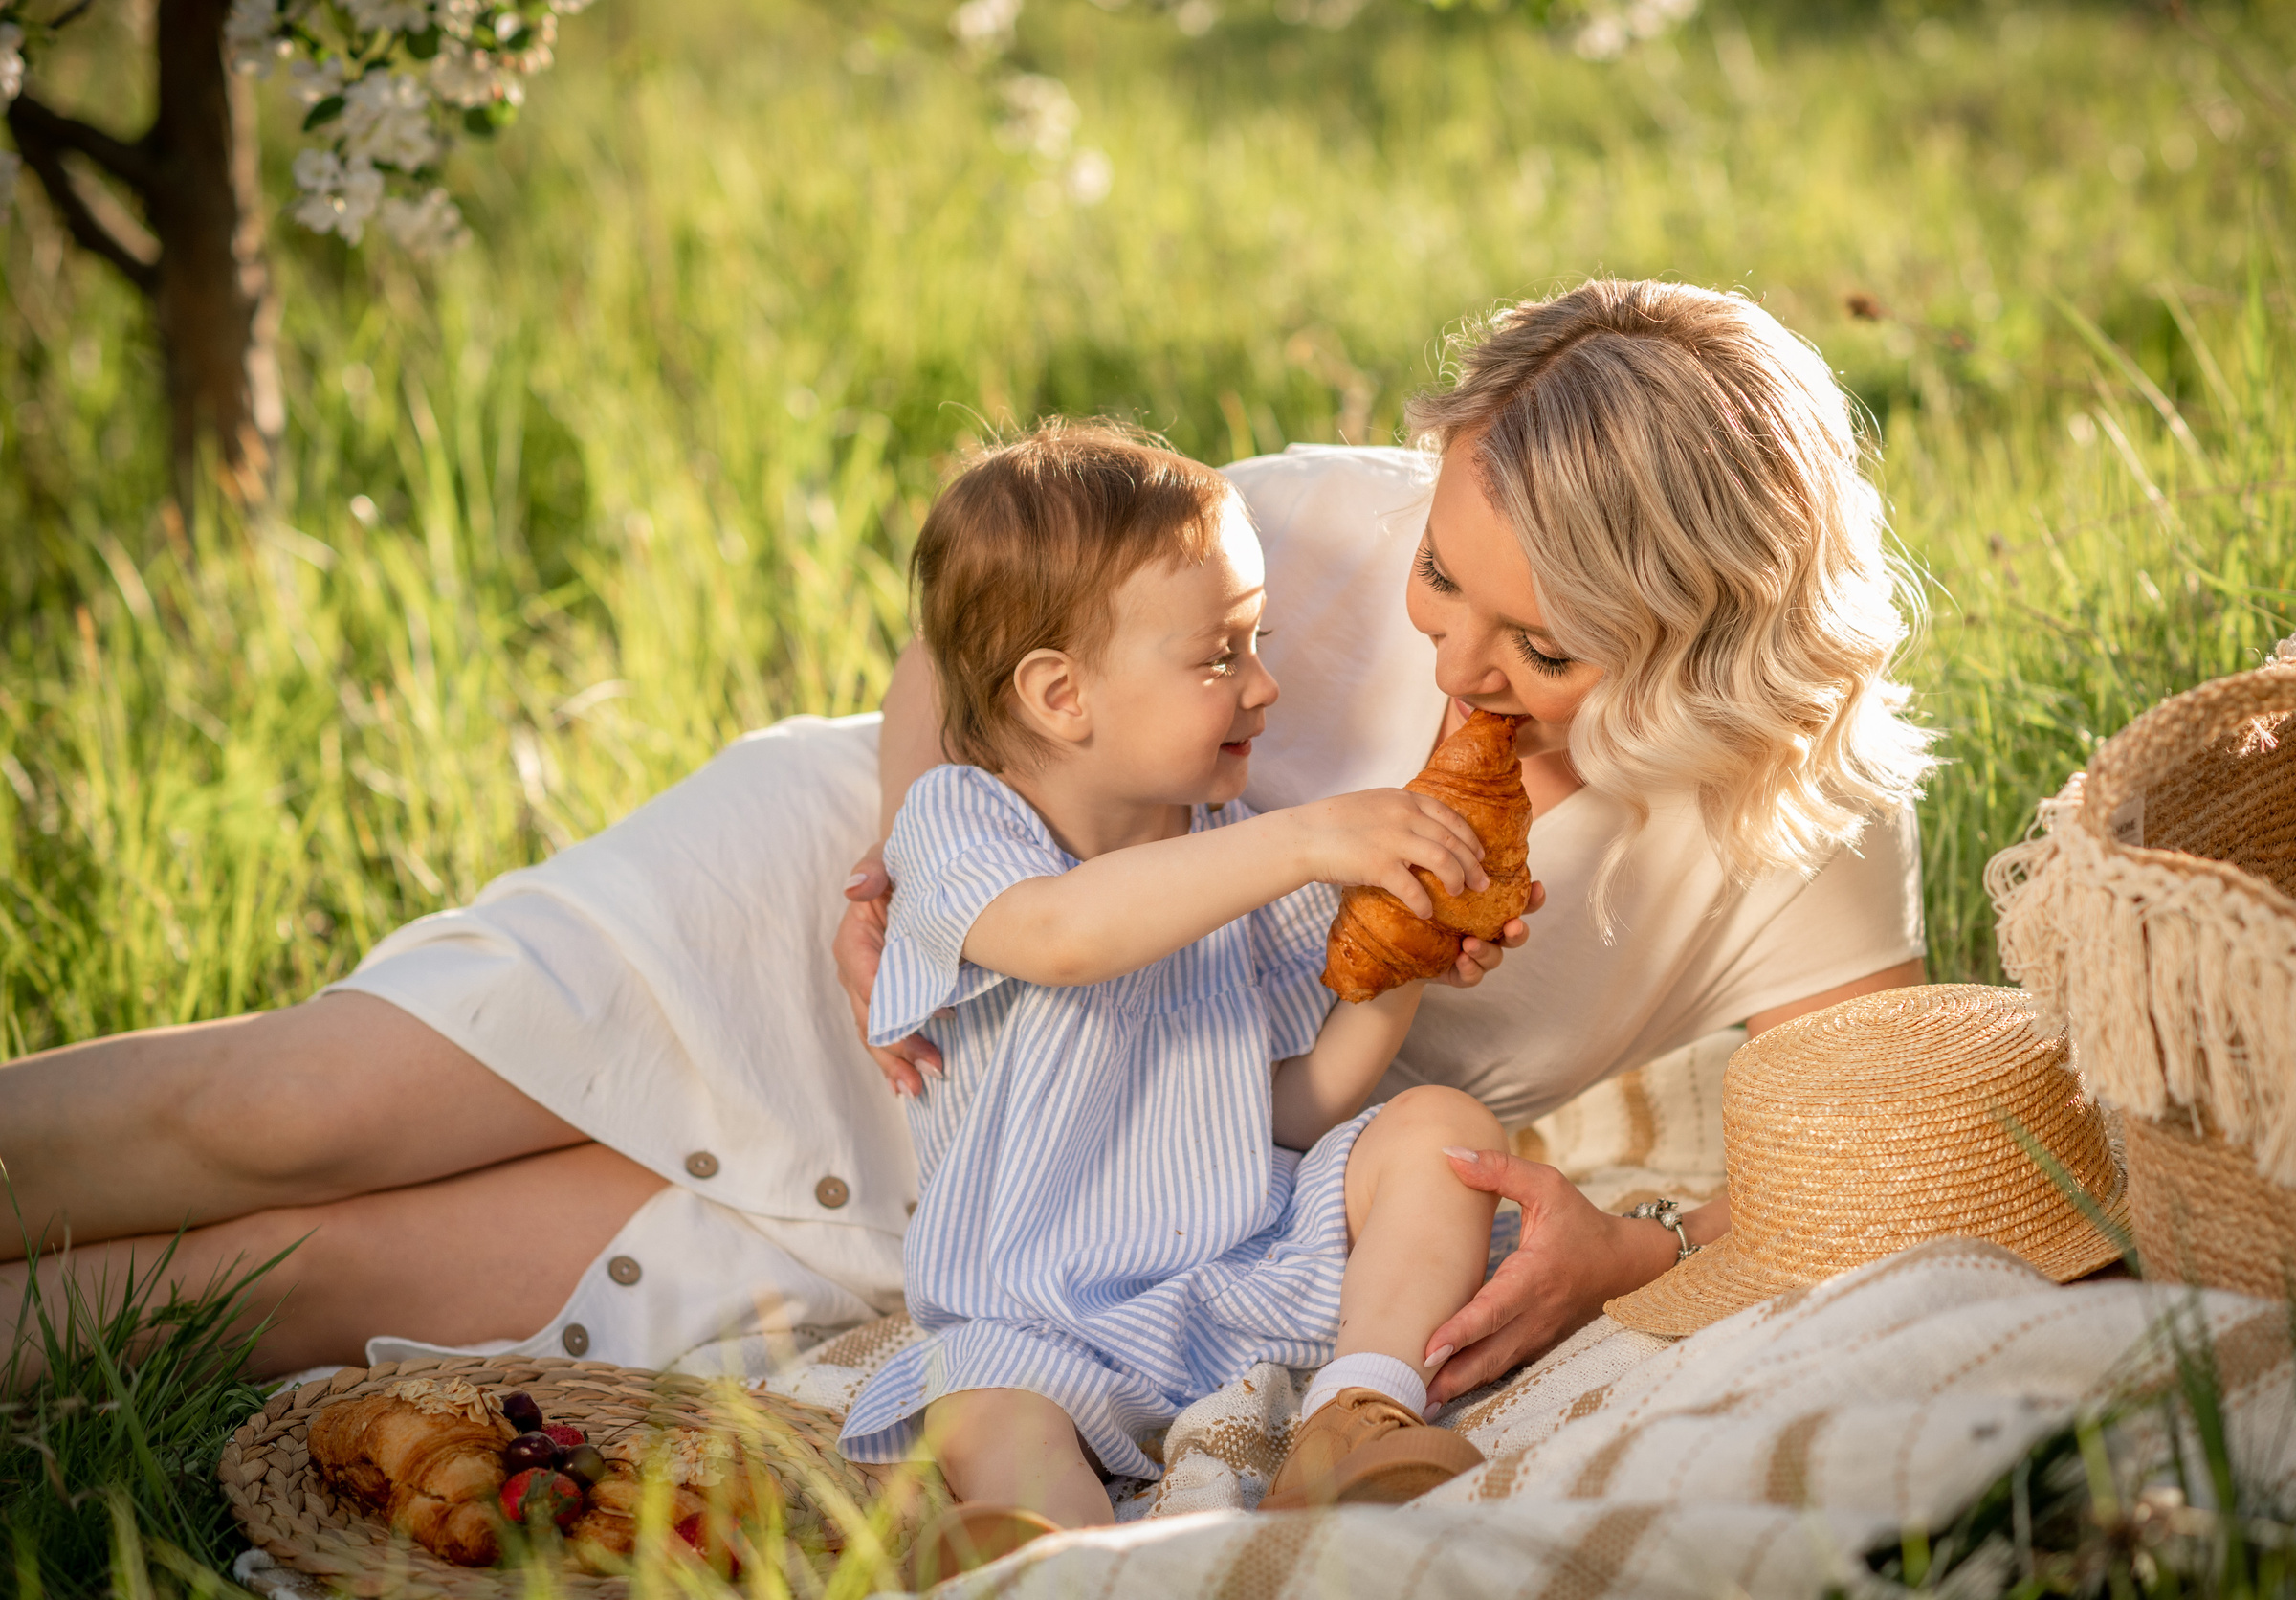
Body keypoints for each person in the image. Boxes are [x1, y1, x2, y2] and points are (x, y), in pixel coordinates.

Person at [1, 278, 1930, 1409]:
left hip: (1040, 1189)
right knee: (267, 1116)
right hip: (840, 938)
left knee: (294, 1281)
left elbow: (1888, 1140)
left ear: (1704, 636)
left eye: (1545, 645)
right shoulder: (1311, 534)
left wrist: (1636, 1244)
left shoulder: (1792, 825)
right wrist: (900, 860)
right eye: (1442, 579)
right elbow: (983, 647)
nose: (1454, 655)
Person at [837, 425, 1507, 1572]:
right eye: (1220, 656)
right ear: (1059, 695)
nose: (1264, 684)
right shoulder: (962, 826)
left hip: (1236, 1278)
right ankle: (1063, 1557)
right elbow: (1064, 933)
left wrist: (1393, 977)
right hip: (1037, 1319)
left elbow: (1291, 1112)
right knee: (983, 1407)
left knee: (1443, 1133)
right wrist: (1310, 839)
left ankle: (1357, 1410)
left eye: (1258, 641)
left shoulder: (1231, 849)